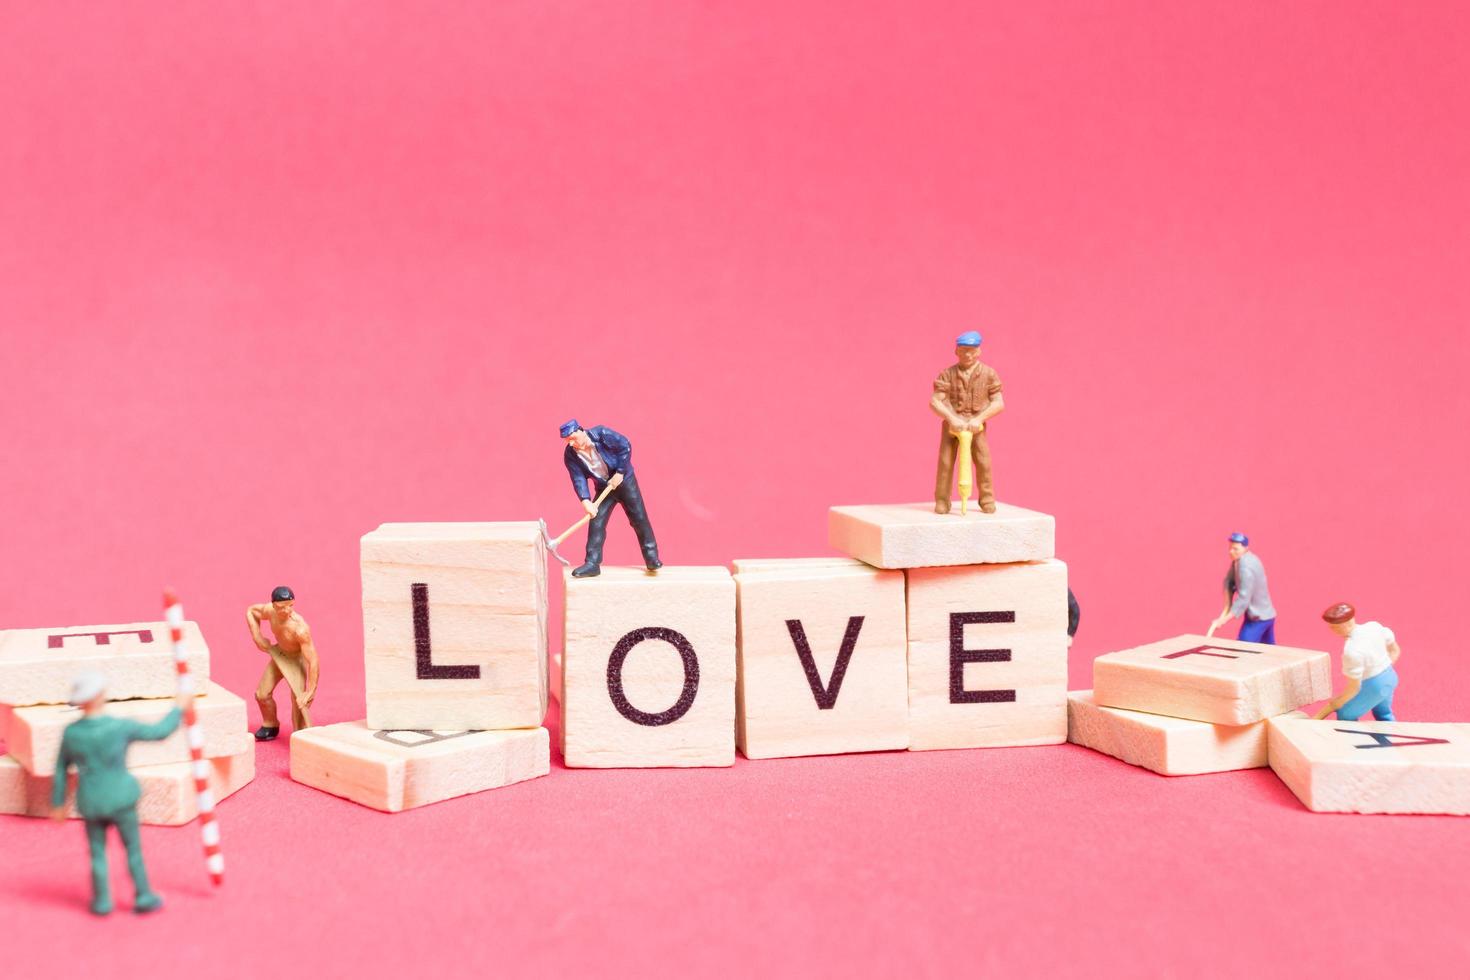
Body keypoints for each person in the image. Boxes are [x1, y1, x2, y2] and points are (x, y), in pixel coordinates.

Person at [50, 672, 185, 915]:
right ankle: (143, 895)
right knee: (133, 850)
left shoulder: (72, 733)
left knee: (97, 853)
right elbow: (159, 732)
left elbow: (60, 768)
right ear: (100, 695)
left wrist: (58, 803)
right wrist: (179, 708)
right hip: (121, 798)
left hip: (92, 800)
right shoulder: (120, 727)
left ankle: (102, 901)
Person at [561, 420, 662, 578]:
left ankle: (652, 558)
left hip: (625, 482)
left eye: (573, 438)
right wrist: (586, 501)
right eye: (568, 441)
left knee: (639, 518)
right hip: (604, 489)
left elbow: (625, 446)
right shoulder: (570, 455)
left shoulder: (601, 434)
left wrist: (620, 472)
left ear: (581, 430)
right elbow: (578, 478)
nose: (572, 443)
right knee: (596, 521)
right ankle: (592, 563)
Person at [931, 331, 1004, 514]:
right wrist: (951, 418)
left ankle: (987, 499)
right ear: (956, 351)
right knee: (946, 462)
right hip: (952, 425)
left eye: (972, 350)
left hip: (976, 426)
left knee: (983, 461)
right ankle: (942, 500)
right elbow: (935, 401)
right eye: (963, 350)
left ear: (979, 351)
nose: (968, 355)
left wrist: (979, 418)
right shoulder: (947, 374)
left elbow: (999, 402)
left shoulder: (989, 374)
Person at [246, 586, 319, 740]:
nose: (287, 611)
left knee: (299, 703)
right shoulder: (270, 611)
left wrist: (310, 691)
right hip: (280, 655)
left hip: (296, 660)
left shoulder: (300, 628)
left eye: (290, 606)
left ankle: (301, 736)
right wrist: (257, 636)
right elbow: (251, 611)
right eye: (282, 607)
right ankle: (270, 724)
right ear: (274, 605)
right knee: (262, 694)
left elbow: (313, 660)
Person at [1313, 602, 1401, 721]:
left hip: (1374, 685)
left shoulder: (1352, 650)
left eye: (1334, 627)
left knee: (1346, 714)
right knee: (1383, 713)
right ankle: (1389, 735)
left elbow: (1354, 687)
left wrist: (1338, 702)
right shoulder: (1373, 626)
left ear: (1343, 625)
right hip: (1391, 677)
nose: (1332, 630)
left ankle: (1351, 739)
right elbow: (1395, 650)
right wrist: (1384, 668)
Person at [1206, 532, 1276, 643]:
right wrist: (1228, 591)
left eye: (1235, 549)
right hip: (1265, 615)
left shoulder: (1246, 566)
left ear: (1245, 548)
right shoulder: (1239, 560)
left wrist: (1223, 620)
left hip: (1258, 618)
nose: (1231, 551)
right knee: (1268, 651)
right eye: (1230, 548)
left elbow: (1244, 599)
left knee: (1243, 647)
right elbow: (1230, 580)